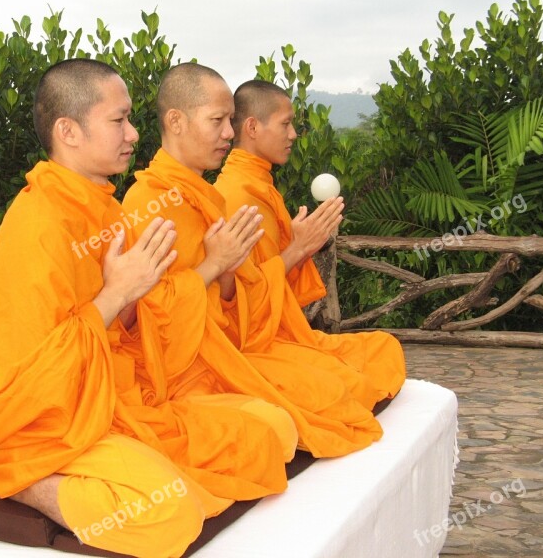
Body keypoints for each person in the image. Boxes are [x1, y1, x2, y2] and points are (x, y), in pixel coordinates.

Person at [0, 59, 291, 558]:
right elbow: (17, 377)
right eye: (118, 121)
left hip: (122, 402)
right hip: (46, 427)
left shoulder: (107, 210)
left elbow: (146, 334)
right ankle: (21, 480)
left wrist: (150, 292)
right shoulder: (39, 225)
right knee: (169, 514)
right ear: (68, 131)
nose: (134, 134)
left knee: (268, 439)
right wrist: (118, 294)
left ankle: (134, 466)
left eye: (130, 119)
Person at [122, 63, 384, 459]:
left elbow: (239, 304)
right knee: (298, 416)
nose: (230, 132)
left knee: (359, 372)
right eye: (218, 121)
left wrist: (229, 269)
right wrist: (221, 265)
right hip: (184, 375)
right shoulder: (149, 203)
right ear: (175, 121)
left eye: (230, 120)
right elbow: (155, 322)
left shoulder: (207, 197)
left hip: (227, 353)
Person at [214, 80, 405, 403]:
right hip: (252, 348)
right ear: (252, 127)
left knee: (384, 347)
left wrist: (303, 246)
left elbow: (271, 284)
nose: (293, 135)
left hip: (281, 335)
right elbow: (241, 312)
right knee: (347, 386)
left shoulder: (260, 185)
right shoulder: (236, 195)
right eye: (285, 124)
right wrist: (297, 249)